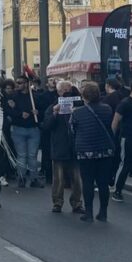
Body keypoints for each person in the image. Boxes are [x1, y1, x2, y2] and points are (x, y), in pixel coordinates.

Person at [71, 82, 116, 222]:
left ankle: (88, 212)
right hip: (105, 150)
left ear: (84, 97)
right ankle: (103, 212)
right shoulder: (107, 109)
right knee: (103, 183)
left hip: (85, 151)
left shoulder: (77, 112)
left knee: (88, 182)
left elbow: (72, 131)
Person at [41, 81, 83, 214]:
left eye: (68, 89)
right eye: (63, 90)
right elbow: (46, 126)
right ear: (58, 92)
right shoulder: (52, 107)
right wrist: (54, 114)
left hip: (74, 147)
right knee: (58, 179)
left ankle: (76, 203)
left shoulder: (79, 106)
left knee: (77, 178)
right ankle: (57, 203)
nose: (66, 92)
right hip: (59, 147)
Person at [6, 79, 43, 189]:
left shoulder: (35, 96)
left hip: (33, 129)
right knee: (21, 155)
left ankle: (34, 178)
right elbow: (8, 111)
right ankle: (21, 178)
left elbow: (43, 110)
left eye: (20, 82)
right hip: (18, 129)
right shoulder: (13, 96)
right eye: (17, 82)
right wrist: (19, 114)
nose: (17, 84)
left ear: (27, 84)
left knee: (32, 155)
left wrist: (38, 113)